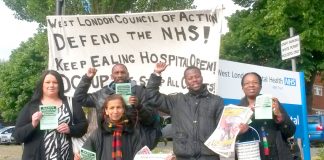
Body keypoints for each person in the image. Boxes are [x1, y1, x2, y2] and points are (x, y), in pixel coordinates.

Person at [146, 62, 224, 160]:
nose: (194, 80)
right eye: (190, 78)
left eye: (197, 76)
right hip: (184, 157)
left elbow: (223, 129)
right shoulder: (176, 100)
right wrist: (156, 74)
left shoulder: (216, 101)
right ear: (185, 82)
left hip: (209, 157)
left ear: (202, 78)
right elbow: (152, 97)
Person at [73, 64, 161, 149]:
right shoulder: (102, 93)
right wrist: (87, 78)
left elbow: (150, 119)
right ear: (111, 76)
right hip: (108, 141)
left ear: (128, 75)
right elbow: (79, 98)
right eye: (116, 73)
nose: (120, 75)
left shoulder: (140, 92)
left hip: (134, 141)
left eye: (122, 72)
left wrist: (139, 106)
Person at [13, 70, 88, 160]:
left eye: (55, 82)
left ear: (60, 85)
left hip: (65, 156)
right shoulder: (31, 106)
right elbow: (17, 136)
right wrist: (33, 124)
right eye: (47, 82)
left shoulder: (71, 103)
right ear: (42, 85)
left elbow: (83, 126)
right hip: (36, 156)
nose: (51, 85)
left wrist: (70, 129)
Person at [237, 72, 296, 160]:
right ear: (242, 87)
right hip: (250, 155)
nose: (251, 85)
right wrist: (240, 130)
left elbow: (290, 132)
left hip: (276, 155)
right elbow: (229, 139)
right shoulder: (238, 110)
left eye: (255, 82)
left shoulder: (273, 103)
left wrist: (279, 116)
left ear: (260, 86)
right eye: (247, 83)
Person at [74, 94, 143, 160]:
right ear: (106, 111)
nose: (115, 111)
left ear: (123, 110)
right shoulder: (98, 134)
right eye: (112, 108)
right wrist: (79, 157)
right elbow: (86, 154)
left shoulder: (133, 133)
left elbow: (140, 156)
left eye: (118, 107)